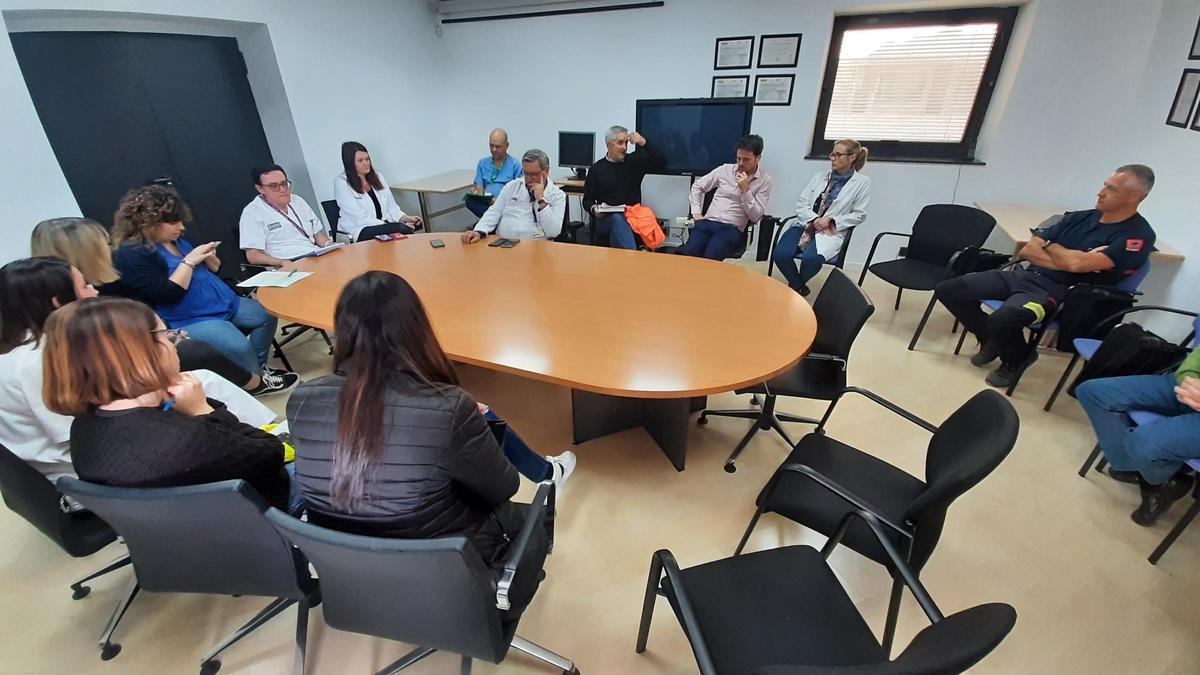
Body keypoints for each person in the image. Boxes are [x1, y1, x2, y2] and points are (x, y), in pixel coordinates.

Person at [286, 271, 572, 616]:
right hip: (451, 574)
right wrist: (472, 430)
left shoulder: (302, 399)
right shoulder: (449, 406)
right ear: (415, 329)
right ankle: (549, 473)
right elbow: (503, 488)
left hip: (355, 573)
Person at [36, 297, 290, 511]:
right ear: (141, 351)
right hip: (263, 517)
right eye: (167, 335)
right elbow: (271, 454)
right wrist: (204, 411)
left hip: (182, 535)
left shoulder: (83, 426)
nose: (175, 342)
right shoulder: (190, 437)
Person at [935, 165, 1157, 388]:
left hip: (1061, 293)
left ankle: (1017, 358)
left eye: (1111, 189)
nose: (1100, 192)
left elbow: (1076, 265)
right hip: (1027, 275)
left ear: (1134, 196)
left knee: (1004, 319)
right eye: (1104, 185)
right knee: (948, 289)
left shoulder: (1137, 236)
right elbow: (1028, 250)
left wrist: (1052, 248)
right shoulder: (1080, 218)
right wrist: (1064, 256)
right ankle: (992, 340)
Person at [31, 216, 295, 397]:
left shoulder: (103, 281)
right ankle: (254, 383)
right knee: (208, 352)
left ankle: (253, 374)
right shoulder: (130, 261)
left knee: (261, 315)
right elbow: (161, 298)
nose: (110, 248)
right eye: (103, 244)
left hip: (167, 329)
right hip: (178, 325)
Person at [112, 185, 299, 387]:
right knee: (239, 346)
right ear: (149, 223)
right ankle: (256, 384)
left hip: (225, 303)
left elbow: (214, 271)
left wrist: (210, 260)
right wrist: (189, 262)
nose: (181, 227)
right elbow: (166, 294)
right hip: (189, 318)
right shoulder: (133, 254)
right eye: (174, 222)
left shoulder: (178, 240)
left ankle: (256, 369)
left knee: (267, 314)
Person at [1075, 351, 1200, 526]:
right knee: (1091, 392)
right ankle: (1147, 476)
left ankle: (1160, 481)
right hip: (1189, 387)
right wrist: (1188, 381)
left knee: (1144, 442)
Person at [771, 139, 871, 295]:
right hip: (806, 224)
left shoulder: (862, 182)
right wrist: (814, 219)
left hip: (830, 230)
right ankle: (798, 287)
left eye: (838, 155)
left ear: (852, 157)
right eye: (832, 154)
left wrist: (830, 221)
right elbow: (802, 202)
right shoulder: (819, 177)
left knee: (812, 259)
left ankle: (794, 287)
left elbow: (859, 214)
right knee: (780, 254)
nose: (832, 158)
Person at [682, 135, 773, 260]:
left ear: (758, 158)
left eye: (746, 160)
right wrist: (696, 212)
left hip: (731, 228)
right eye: (738, 158)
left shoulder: (764, 181)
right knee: (688, 253)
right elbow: (697, 186)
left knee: (711, 256)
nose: (741, 163)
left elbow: (756, 216)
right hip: (708, 222)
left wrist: (745, 190)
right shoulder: (724, 170)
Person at [582, 126, 666, 249]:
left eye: (626, 143)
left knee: (630, 220)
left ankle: (626, 261)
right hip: (607, 219)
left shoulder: (634, 162)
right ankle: (632, 261)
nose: (624, 147)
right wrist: (595, 209)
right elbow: (587, 201)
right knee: (617, 219)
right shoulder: (596, 169)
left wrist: (644, 142)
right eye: (620, 143)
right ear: (609, 145)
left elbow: (661, 162)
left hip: (633, 216)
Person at [461, 149, 565, 243]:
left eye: (533, 174)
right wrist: (479, 231)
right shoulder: (512, 186)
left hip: (535, 246)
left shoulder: (558, 195)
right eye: (526, 173)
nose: (528, 179)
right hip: (502, 242)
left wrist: (541, 200)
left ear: (546, 171)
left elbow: (553, 232)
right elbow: (494, 212)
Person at [240, 164, 332, 267]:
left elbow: (317, 234)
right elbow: (253, 255)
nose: (283, 189)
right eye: (274, 186)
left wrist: (329, 245)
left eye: (284, 184)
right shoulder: (252, 212)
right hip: (287, 263)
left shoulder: (297, 200)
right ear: (260, 188)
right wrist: (281, 262)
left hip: (314, 256)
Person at [334, 141, 422, 242]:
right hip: (360, 229)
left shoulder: (378, 177)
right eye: (360, 161)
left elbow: (392, 208)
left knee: (412, 225)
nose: (365, 163)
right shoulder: (341, 182)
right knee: (400, 229)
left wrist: (405, 218)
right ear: (350, 163)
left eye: (367, 159)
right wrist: (391, 225)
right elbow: (359, 218)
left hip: (384, 226)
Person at [466, 128, 523, 219]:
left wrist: (498, 202)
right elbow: (479, 184)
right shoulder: (482, 163)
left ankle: (492, 219)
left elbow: (519, 191)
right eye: (491, 145)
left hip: (505, 203)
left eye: (498, 146)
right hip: (486, 203)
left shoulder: (515, 165)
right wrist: (480, 195)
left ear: (507, 145)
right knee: (470, 201)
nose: (494, 149)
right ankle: (494, 219)